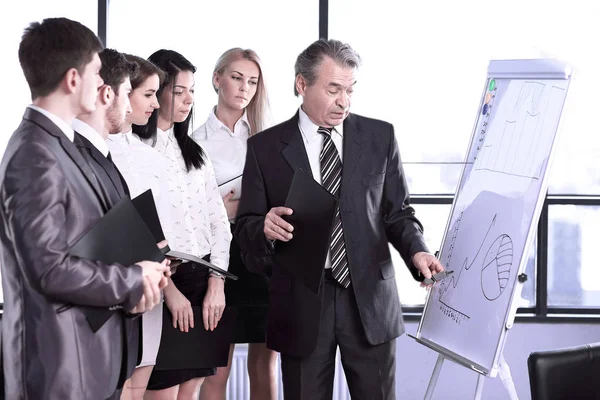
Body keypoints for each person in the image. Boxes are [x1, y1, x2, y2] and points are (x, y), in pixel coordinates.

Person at [235, 38, 445, 400]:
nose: (344, 101)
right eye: (334, 90)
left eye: (350, 90)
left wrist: (417, 252)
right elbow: (246, 227)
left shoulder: (380, 136)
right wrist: (263, 227)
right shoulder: (265, 148)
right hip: (301, 303)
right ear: (302, 84)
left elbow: (398, 213)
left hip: (369, 302)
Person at [0, 18, 168, 400]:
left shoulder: (59, 146)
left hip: (88, 355)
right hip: (59, 364)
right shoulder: (34, 153)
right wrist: (131, 279)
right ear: (74, 80)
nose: (102, 85)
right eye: (96, 72)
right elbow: (48, 268)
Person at [136, 49, 232, 400]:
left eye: (192, 91)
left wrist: (217, 282)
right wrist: (169, 293)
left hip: (204, 284)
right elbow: (137, 230)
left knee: (191, 392)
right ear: (155, 90)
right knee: (163, 392)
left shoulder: (195, 152)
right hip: (163, 282)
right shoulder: (134, 150)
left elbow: (219, 224)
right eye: (179, 91)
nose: (189, 99)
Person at [192, 48, 277, 400]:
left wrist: (246, 207)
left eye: (253, 82)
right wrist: (227, 211)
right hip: (220, 261)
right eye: (237, 78)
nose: (245, 88)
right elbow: (190, 212)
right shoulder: (195, 142)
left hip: (263, 257)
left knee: (264, 365)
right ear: (217, 79)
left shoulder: (266, 137)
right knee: (216, 368)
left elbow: (276, 198)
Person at [106, 54, 173, 400]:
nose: (156, 103)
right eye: (147, 94)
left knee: (141, 377)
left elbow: (162, 223)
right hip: (112, 289)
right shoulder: (94, 153)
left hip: (152, 283)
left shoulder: (152, 158)